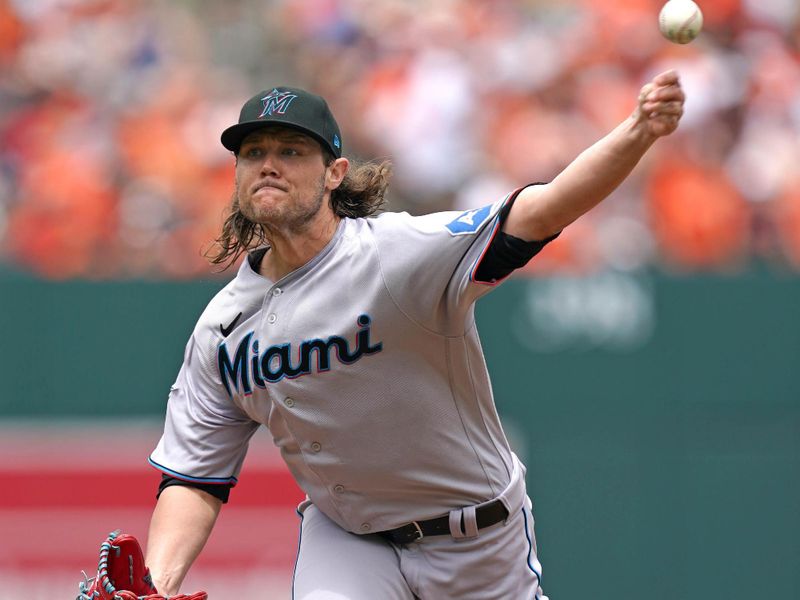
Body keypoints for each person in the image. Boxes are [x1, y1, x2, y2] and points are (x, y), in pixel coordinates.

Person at [145, 73, 685, 599]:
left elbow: (542, 210)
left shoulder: (397, 254)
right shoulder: (222, 326)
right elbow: (196, 476)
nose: (268, 165)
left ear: (334, 173)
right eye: (253, 152)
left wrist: (638, 130)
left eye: (291, 152)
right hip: (349, 539)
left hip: (475, 541)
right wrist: (158, 585)